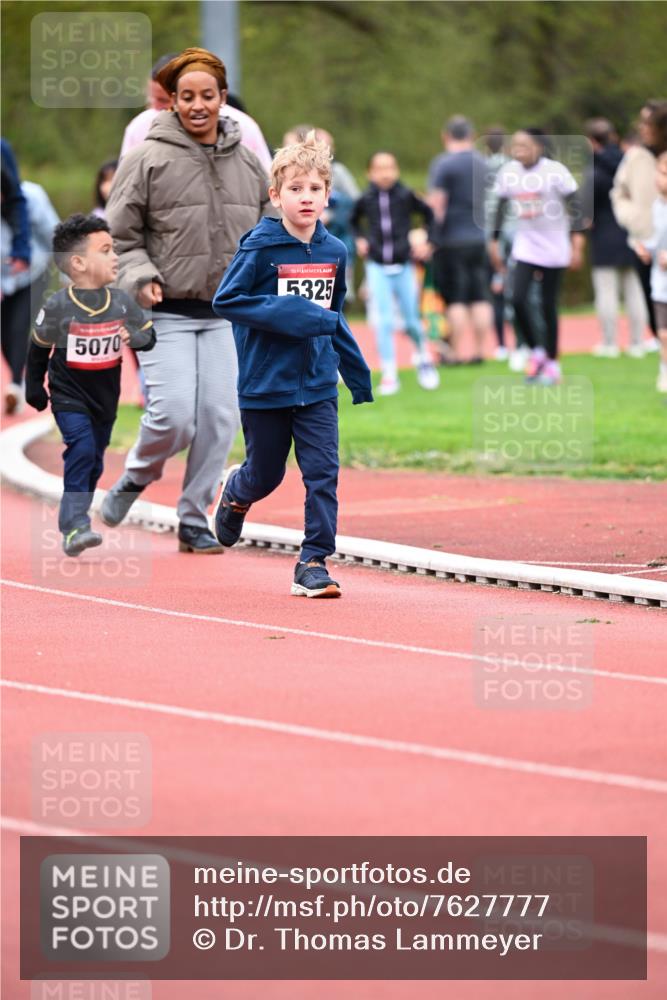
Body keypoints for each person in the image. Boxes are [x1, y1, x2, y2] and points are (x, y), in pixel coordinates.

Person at [101, 48, 269, 554]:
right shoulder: (146, 157)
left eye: (208, 96)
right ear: (171, 102)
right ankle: (136, 476)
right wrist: (141, 275)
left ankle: (194, 519)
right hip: (164, 309)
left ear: (223, 100)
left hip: (226, 313)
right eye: (187, 97)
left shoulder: (246, 160)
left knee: (219, 419)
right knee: (174, 415)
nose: (199, 105)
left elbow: (269, 225)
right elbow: (120, 235)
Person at [212, 132, 373, 598]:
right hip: (266, 383)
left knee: (323, 472)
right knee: (267, 474)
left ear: (328, 195)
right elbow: (228, 300)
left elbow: (332, 317)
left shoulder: (335, 251)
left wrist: (354, 372)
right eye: (295, 188)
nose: (306, 197)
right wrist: (289, 313)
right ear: (275, 195)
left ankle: (314, 561)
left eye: (315, 189)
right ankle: (237, 492)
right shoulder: (260, 248)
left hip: (319, 384)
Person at [24, 215, 155, 556]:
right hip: (69, 396)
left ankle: (78, 514)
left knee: (94, 461)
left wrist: (137, 335)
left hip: (105, 400)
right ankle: (75, 526)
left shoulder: (121, 302)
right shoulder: (57, 306)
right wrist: (34, 388)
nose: (116, 257)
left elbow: (148, 337)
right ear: (78, 263)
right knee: (80, 450)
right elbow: (38, 350)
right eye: (107, 250)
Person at [489, 128, 586, 385]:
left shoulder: (555, 171)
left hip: (554, 246)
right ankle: (538, 351)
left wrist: (577, 244)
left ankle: (553, 362)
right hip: (526, 246)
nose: (518, 149)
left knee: (547, 305)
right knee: (517, 299)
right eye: (515, 144)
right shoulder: (509, 173)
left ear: (539, 147)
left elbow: (577, 207)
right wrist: (494, 241)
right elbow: (499, 209)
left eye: (524, 144)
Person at [351, 150, 439, 395]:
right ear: (370, 172)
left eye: (390, 167)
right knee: (384, 321)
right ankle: (389, 374)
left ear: (397, 170)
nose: (385, 173)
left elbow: (430, 215)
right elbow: (353, 222)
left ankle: (424, 358)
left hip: (404, 265)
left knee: (411, 320)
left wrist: (428, 242)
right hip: (376, 265)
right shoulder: (365, 198)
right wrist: (360, 240)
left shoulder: (406, 195)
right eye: (379, 168)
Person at [119, 53, 272, 173]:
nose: (155, 107)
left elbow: (268, 185)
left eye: (163, 100)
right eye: (152, 98)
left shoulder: (243, 127)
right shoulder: (139, 128)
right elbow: (125, 190)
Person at [427, 116, 493, 363]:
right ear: (472, 135)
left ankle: (454, 352)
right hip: (479, 238)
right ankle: (478, 351)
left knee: (456, 298)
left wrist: (431, 237)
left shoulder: (444, 164)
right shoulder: (483, 163)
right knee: (480, 296)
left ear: (446, 136)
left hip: (452, 239)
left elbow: (438, 206)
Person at [584, 118, 647, 357]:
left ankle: (610, 343)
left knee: (606, 292)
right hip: (633, 233)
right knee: (635, 290)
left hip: (604, 236)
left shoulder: (594, 171)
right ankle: (637, 342)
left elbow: (585, 211)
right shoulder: (629, 166)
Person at [611, 99, 667, 350]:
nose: (641, 127)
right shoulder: (636, 156)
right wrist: (635, 222)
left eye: (647, 122)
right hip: (645, 247)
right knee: (657, 318)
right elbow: (618, 194)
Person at [1, 179, 59, 413]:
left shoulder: (31, 197)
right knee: (4, 333)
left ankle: (16, 384)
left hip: (35, 270)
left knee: (20, 326)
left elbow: (54, 233)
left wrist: (67, 270)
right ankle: (19, 378)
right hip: (5, 278)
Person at [635, 152, 667, 391]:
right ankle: (664, 373)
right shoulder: (657, 206)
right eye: (659, 172)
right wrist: (645, 248)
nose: (659, 179)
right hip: (661, 283)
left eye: (665, 174)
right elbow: (656, 239)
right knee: (663, 334)